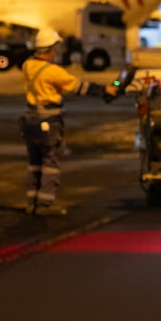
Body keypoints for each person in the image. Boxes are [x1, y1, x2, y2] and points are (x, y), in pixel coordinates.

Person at [21, 29, 119, 216]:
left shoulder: (27, 65)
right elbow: (79, 87)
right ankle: (45, 205)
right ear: (51, 49)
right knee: (50, 164)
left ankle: (31, 202)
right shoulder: (53, 71)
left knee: (34, 163)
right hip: (49, 123)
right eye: (55, 48)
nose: (56, 52)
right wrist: (107, 89)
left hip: (31, 122)